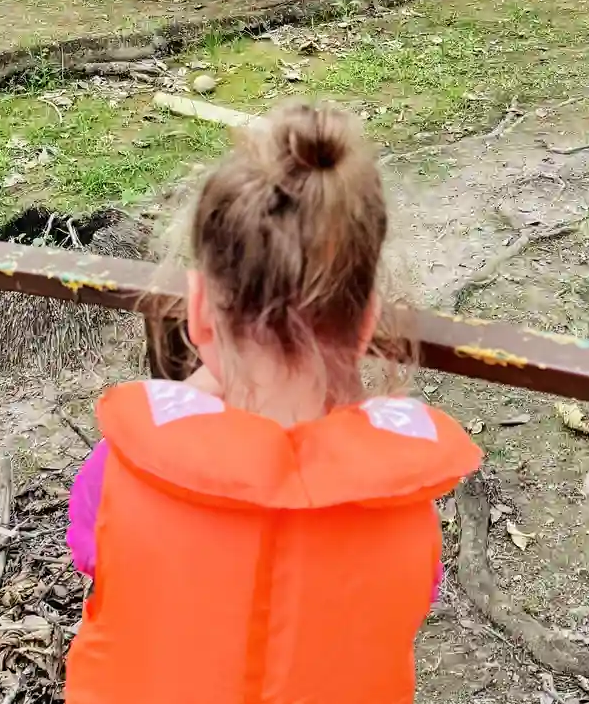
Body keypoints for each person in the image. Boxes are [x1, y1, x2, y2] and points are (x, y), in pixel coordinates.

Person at [64, 101, 482, 704]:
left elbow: (103, 564)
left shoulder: (119, 470)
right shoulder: (400, 504)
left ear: (201, 311)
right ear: (366, 323)